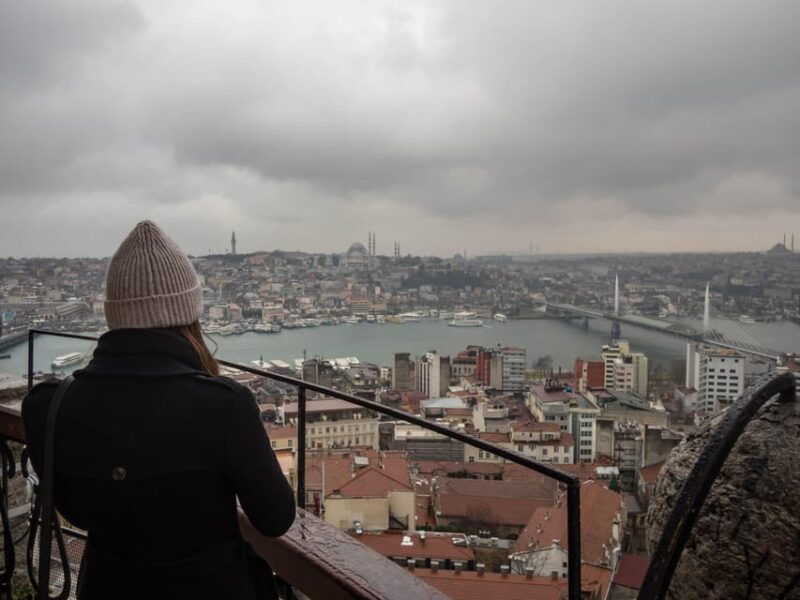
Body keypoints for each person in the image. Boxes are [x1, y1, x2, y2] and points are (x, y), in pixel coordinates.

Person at [23, 221, 295, 599]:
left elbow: (77, 513)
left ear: (114, 314)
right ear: (189, 313)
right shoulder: (224, 406)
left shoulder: (49, 406)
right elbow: (275, 517)